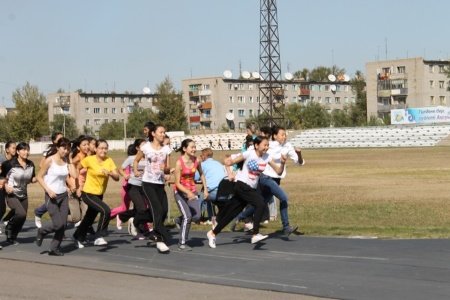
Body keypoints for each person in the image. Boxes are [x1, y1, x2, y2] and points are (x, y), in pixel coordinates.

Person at [206, 135, 286, 248]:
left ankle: (213, 233)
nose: (266, 147)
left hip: (250, 188)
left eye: (268, 145)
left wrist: (282, 163)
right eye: (264, 145)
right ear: (256, 145)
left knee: (232, 213)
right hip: (241, 185)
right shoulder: (249, 153)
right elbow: (229, 162)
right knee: (260, 203)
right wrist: (229, 170)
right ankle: (255, 233)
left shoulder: (267, 157)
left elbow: (278, 171)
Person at [72, 139, 120, 248]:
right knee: (106, 210)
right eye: (101, 148)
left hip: (99, 194)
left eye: (105, 148)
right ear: (96, 149)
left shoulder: (109, 161)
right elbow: (77, 168)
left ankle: (77, 236)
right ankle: (99, 236)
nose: (104, 150)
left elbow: (117, 177)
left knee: (89, 218)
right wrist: (78, 184)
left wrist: (110, 174)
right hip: (88, 193)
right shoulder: (89, 160)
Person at [134, 124, 172, 253]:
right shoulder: (146, 147)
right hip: (148, 183)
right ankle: (160, 238)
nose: (163, 134)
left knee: (164, 211)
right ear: (153, 133)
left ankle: (137, 220)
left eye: (164, 132)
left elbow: (167, 167)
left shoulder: (166, 149)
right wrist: (135, 170)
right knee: (157, 210)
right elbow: (136, 160)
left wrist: (166, 170)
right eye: (161, 132)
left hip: (160, 183)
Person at [35, 138, 77, 256]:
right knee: (58, 224)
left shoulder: (66, 161)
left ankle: (54, 248)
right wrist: (48, 190)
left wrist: (70, 160)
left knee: (63, 225)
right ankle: (42, 231)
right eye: (64, 148)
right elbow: (39, 177)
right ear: (58, 147)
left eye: (68, 148)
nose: (66, 150)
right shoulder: (50, 160)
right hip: (51, 196)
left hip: (63, 195)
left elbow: (74, 175)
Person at [172, 139, 207, 251]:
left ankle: (178, 220)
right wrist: (188, 193)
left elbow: (201, 174)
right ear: (184, 149)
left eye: (194, 147)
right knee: (188, 216)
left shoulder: (196, 160)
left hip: (192, 191)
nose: (194, 149)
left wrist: (205, 189)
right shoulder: (179, 163)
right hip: (180, 192)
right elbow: (177, 183)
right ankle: (182, 243)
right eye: (191, 147)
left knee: (196, 216)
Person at [4, 142, 37, 245]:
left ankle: (12, 237)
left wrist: (40, 177)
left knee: (23, 217)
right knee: (20, 213)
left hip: (23, 194)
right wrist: (6, 186)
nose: (25, 152)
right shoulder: (9, 164)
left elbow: (32, 178)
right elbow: (2, 178)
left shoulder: (31, 164)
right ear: (18, 152)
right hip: (11, 194)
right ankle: (9, 226)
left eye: (27, 150)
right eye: (23, 150)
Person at [34, 132, 63, 228]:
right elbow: (41, 165)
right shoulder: (49, 150)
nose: (61, 141)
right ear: (54, 141)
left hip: (61, 178)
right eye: (59, 139)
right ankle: (39, 212)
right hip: (50, 179)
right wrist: (51, 168)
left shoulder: (64, 150)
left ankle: (59, 226)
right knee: (54, 200)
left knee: (59, 200)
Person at [0, 141, 17, 225]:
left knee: (17, 207)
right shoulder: (1, 159)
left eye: (16, 148)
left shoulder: (16, 160)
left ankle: (6, 220)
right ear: (7, 150)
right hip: (1, 186)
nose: (15, 149)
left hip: (10, 186)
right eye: (13, 148)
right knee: (2, 208)